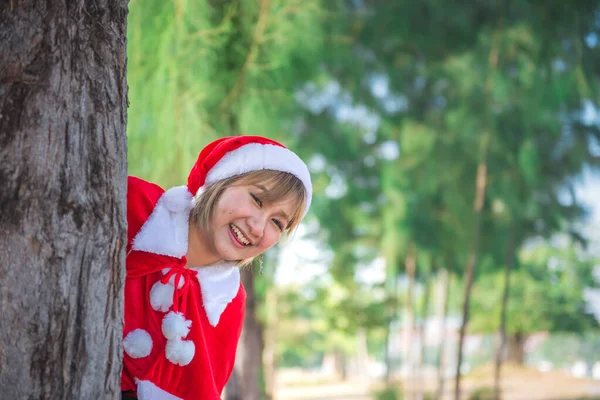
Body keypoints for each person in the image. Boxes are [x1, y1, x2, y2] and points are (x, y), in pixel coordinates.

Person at [121, 136, 312, 399]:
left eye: (277, 223)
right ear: (220, 180)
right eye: (257, 200)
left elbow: (204, 387)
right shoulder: (134, 206)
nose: (257, 228)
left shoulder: (229, 303)